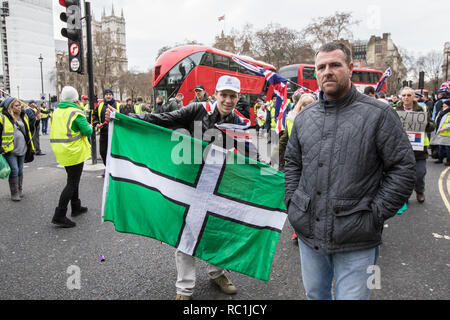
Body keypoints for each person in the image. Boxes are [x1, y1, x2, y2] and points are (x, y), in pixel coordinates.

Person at [284, 42, 416, 300]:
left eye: (335, 65)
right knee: (315, 295)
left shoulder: (379, 114)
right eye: (321, 67)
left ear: (350, 68)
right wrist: (292, 203)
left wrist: (374, 214)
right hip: (308, 231)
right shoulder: (304, 117)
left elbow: (403, 168)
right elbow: (292, 164)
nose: (327, 72)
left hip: (357, 237)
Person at [105, 75, 247, 300]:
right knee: (187, 233)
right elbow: (163, 118)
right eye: (224, 95)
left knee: (216, 230)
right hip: (188, 181)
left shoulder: (239, 122)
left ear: (238, 97)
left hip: (218, 184)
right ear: (216, 94)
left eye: (233, 96)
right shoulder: (197, 109)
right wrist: (125, 117)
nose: (228, 100)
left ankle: (217, 273)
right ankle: (185, 288)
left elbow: (248, 154)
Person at [50, 86, 92, 228]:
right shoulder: (76, 112)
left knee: (73, 180)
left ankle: (76, 207)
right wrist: (91, 126)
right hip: (74, 151)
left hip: (62, 150)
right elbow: (87, 131)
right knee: (72, 183)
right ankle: (59, 215)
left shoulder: (57, 111)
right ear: (75, 98)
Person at [396, 87, 435, 203]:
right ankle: (405, 196)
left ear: (413, 97)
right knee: (403, 175)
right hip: (402, 149)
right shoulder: (395, 109)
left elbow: (432, 126)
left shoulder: (422, 109)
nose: (406, 97)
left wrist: (427, 124)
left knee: (420, 173)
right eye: (404, 95)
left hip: (419, 150)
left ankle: (419, 191)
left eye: (409, 95)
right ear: (401, 97)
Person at [0, 97, 34, 201]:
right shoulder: (3, 117)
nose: (19, 107)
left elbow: (30, 128)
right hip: (9, 149)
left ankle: (20, 190)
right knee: (14, 170)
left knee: (20, 170)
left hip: (22, 147)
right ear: (10, 107)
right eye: (16, 105)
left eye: (20, 105)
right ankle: (14, 193)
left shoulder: (23, 116)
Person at [93, 89, 121, 166]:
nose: (108, 96)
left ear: (112, 96)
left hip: (115, 133)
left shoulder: (118, 105)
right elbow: (94, 116)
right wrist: (97, 124)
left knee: (114, 152)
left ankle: (114, 169)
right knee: (103, 152)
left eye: (110, 94)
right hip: (103, 133)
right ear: (104, 96)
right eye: (107, 94)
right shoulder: (100, 105)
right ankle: (107, 168)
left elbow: (123, 117)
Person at [432, 99, 450, 165]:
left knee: (448, 147)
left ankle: (448, 160)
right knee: (440, 146)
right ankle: (440, 158)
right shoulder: (441, 112)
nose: (443, 104)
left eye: (444, 103)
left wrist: (444, 128)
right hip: (440, 131)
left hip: (447, 133)